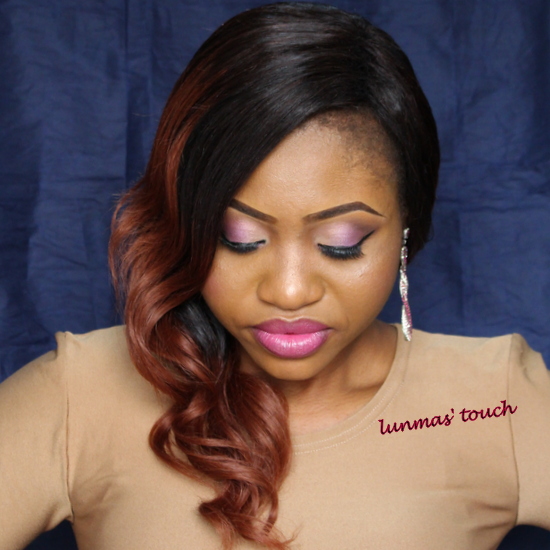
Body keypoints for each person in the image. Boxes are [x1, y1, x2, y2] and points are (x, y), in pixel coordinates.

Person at [1, 2, 549, 549]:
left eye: (341, 243)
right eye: (239, 239)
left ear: (408, 228)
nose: (288, 291)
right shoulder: (80, 394)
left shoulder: (492, 404)